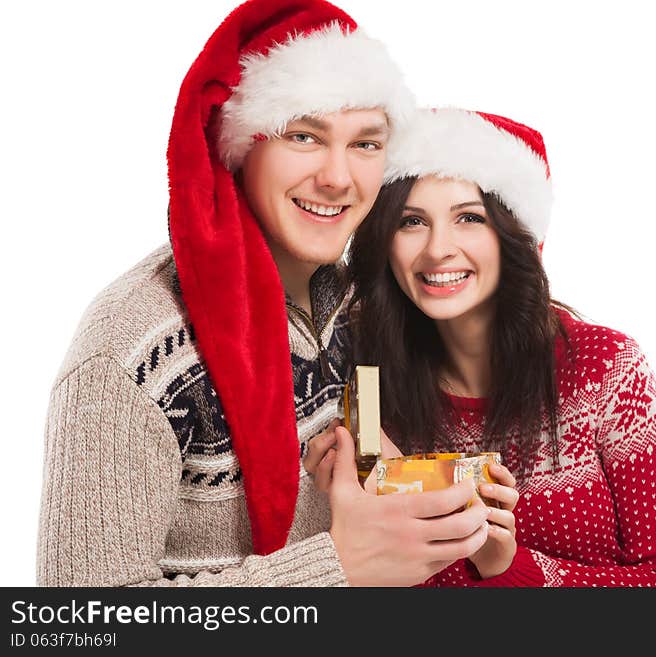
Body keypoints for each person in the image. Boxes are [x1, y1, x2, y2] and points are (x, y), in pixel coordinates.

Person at [36, 0, 491, 587]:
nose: (338, 177)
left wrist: (436, 493)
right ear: (243, 145)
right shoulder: (127, 358)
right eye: (304, 135)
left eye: (366, 144)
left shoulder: (354, 307)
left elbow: (369, 460)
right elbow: (81, 628)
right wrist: (336, 570)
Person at [344, 107, 656, 586]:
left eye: (469, 218)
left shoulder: (607, 371)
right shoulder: (364, 388)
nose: (437, 250)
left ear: (514, 236)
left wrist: (507, 566)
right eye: (411, 222)